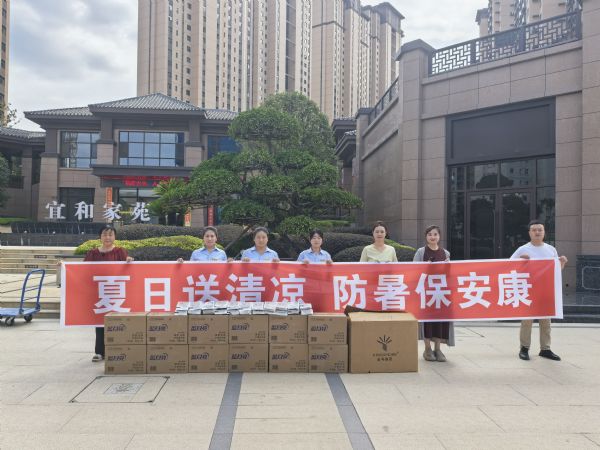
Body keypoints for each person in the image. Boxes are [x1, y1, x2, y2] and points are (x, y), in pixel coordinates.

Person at [511, 219, 568, 361]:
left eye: (540, 230)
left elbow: (556, 272)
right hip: (528, 290)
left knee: (546, 321)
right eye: (534, 230)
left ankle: (545, 349)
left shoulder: (551, 249)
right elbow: (509, 267)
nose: (537, 232)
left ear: (544, 232)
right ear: (529, 233)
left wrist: (562, 263)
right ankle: (524, 348)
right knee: (527, 321)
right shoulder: (522, 249)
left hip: (545, 290)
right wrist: (520, 262)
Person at [84, 225, 133, 362]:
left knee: (118, 323)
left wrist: (129, 261)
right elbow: (82, 270)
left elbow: (128, 270)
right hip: (99, 293)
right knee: (100, 323)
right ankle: (99, 352)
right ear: (100, 237)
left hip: (117, 294)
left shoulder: (120, 252)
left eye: (110, 234)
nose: (107, 237)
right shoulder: (92, 253)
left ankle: (118, 351)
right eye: (105, 234)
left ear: (115, 237)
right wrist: (64, 267)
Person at [413, 225, 455, 362]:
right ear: (426, 237)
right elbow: (413, 270)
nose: (433, 237)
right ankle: (427, 349)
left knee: (440, 320)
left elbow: (450, 275)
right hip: (426, 293)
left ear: (439, 236)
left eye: (435, 234)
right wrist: (425, 265)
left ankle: (438, 349)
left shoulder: (446, 253)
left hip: (441, 293)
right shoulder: (421, 252)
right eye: (430, 234)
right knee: (427, 321)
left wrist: (448, 266)